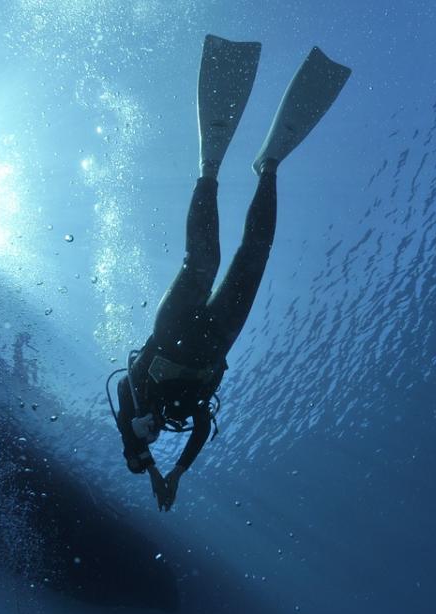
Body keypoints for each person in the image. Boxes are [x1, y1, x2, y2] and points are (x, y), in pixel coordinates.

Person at [113, 35, 351, 511]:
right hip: (217, 342)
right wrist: (173, 472)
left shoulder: (136, 402)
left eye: (151, 436)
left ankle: (210, 168)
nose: (158, 431)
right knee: (254, 257)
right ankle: (269, 168)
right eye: (156, 435)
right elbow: (199, 431)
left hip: (171, 333)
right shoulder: (183, 417)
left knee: (204, 262)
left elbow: (123, 391)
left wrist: (133, 429)